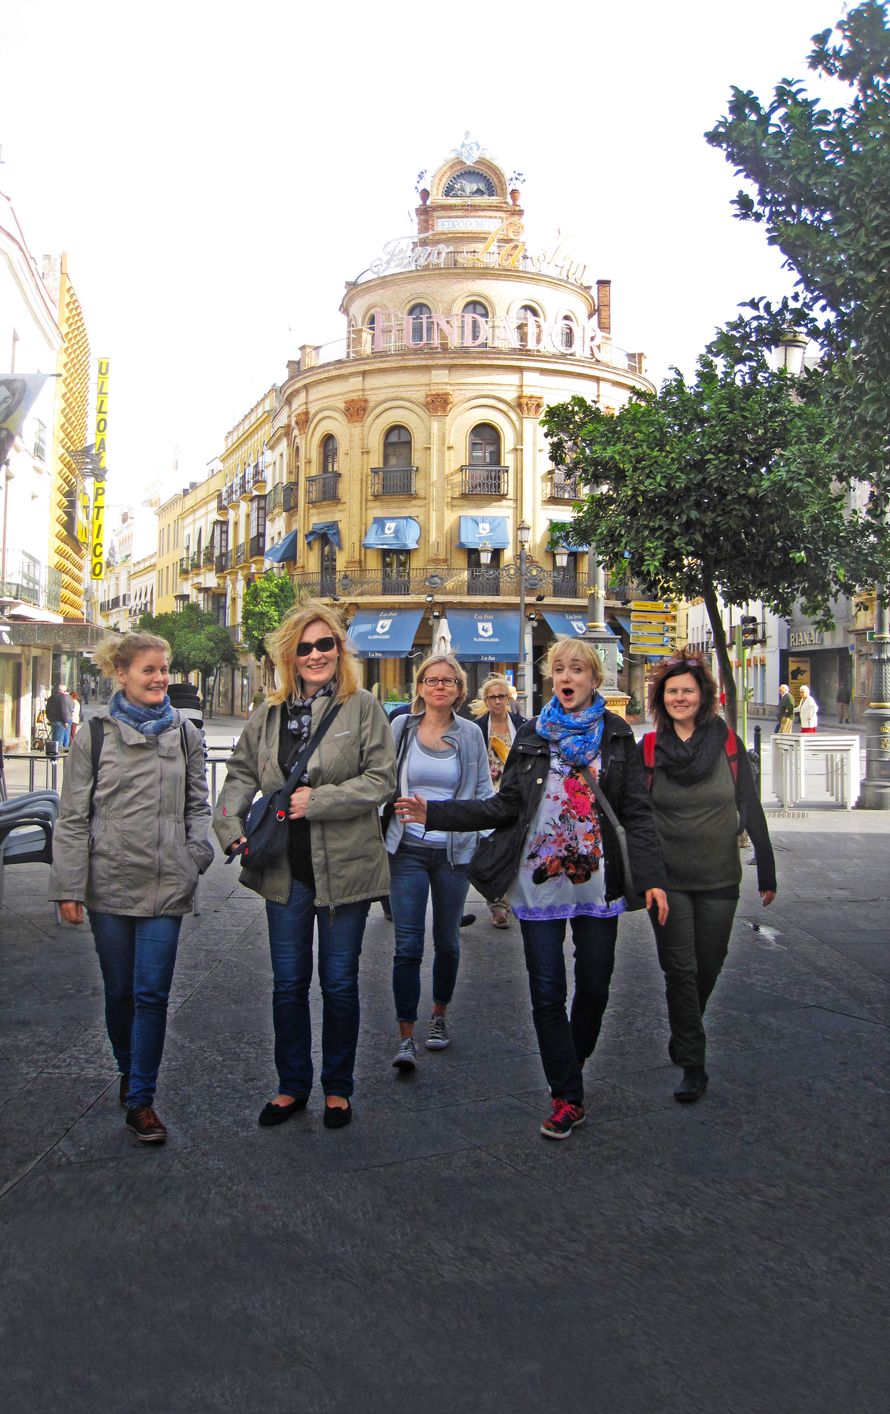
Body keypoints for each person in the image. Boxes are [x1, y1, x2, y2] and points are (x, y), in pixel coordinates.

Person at [396, 637, 668, 1140]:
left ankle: (572, 1058)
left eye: (577, 670)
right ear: (551, 679)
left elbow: (636, 812)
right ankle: (567, 1095)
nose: (567, 677)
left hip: (597, 884)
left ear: (594, 679)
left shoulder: (616, 734)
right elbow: (503, 806)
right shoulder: (533, 734)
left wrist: (651, 879)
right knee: (546, 990)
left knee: (594, 984)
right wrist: (435, 813)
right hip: (539, 882)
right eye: (559, 669)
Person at [214, 602, 395, 1131]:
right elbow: (239, 774)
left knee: (338, 983)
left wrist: (318, 801)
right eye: (304, 647)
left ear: (340, 650)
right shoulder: (268, 713)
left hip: (347, 869)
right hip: (284, 871)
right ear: (289, 656)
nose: (316, 655)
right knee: (288, 984)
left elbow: (382, 780)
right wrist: (229, 826)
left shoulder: (363, 707)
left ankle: (337, 1087)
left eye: (325, 644)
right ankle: (292, 1084)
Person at [48, 633, 213, 1144]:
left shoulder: (185, 732)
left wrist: (195, 855)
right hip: (108, 883)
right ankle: (128, 1066)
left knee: (152, 993)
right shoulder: (94, 735)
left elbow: (198, 804)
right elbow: (72, 817)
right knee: (120, 991)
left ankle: (142, 1098)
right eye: (149, 670)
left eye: (165, 669)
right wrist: (68, 886)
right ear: (121, 674)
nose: (161, 678)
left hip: (168, 882)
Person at [642, 652, 776, 1104]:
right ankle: (693, 1064)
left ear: (703, 697)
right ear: (661, 698)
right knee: (680, 970)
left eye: (688, 690)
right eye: (672, 691)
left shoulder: (729, 745)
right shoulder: (648, 750)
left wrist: (767, 866)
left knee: (708, 965)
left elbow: (750, 806)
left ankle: (685, 1030)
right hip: (667, 881)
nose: (679, 698)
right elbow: (636, 816)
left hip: (719, 876)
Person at [385, 653, 494, 1072]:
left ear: (460, 690)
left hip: (454, 853)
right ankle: (406, 1035)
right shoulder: (401, 727)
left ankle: (439, 1016)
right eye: (432, 680)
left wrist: (490, 842)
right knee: (407, 945)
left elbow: (482, 792)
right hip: (407, 850)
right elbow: (382, 779)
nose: (440, 687)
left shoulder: (470, 734)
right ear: (420, 687)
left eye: (449, 681)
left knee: (447, 940)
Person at [469, 674, 526, 927]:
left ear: (508, 699)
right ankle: (498, 906)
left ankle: (513, 898)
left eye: (501, 696)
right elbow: (472, 760)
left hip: (515, 793)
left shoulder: (522, 726)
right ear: (486, 701)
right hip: (489, 793)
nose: (497, 701)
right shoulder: (478, 727)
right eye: (492, 697)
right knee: (493, 847)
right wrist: (484, 774)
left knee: (515, 845)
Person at [45, 683, 73, 749]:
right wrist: (65, 721)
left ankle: (52, 751)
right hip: (60, 721)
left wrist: (49, 718)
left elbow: (47, 709)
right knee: (59, 739)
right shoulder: (62, 697)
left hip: (53, 720)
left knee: (54, 737)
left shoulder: (51, 697)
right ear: (64, 690)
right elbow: (63, 710)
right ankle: (56, 752)